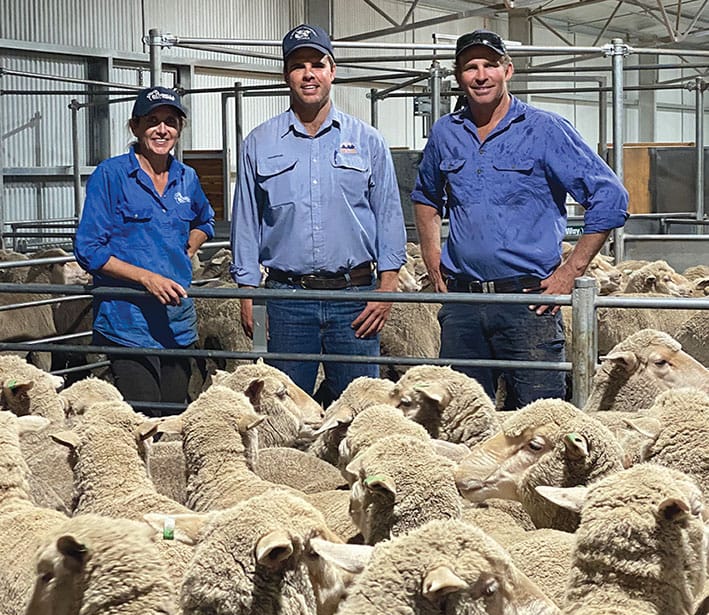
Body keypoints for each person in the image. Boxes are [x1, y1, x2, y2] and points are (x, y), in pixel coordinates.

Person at [412, 30, 629, 409]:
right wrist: (432, 258)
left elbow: (610, 196)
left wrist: (570, 271)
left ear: (507, 70)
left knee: (538, 421)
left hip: (528, 303)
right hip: (463, 302)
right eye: (470, 67)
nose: (480, 76)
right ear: (459, 76)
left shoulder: (545, 129)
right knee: (459, 419)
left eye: (489, 65)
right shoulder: (446, 132)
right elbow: (426, 196)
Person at [230, 23, 406, 404]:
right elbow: (245, 222)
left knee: (361, 409)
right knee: (282, 413)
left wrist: (387, 289)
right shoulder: (259, 143)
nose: (308, 74)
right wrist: (248, 293)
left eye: (317, 64)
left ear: (332, 70)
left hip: (356, 298)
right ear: (285, 75)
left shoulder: (368, 141)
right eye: (298, 65)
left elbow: (389, 216)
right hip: (286, 299)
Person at [75, 85, 215, 415]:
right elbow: (88, 249)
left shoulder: (187, 177)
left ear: (179, 129)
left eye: (170, 121)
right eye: (152, 121)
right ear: (135, 127)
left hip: (176, 323)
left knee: (173, 416)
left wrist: (188, 249)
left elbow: (205, 221)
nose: (162, 129)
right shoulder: (110, 175)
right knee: (144, 417)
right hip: (128, 322)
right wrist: (147, 279)